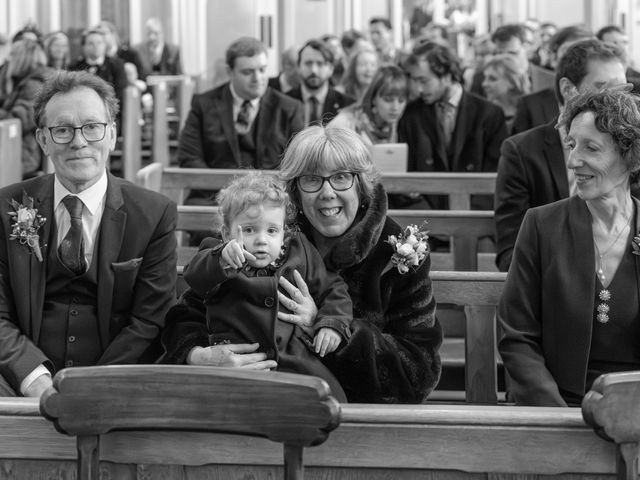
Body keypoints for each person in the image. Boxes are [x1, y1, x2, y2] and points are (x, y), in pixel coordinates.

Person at [163, 126, 443, 403]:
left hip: (353, 415)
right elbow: (187, 314)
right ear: (296, 190)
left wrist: (325, 326)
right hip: (241, 395)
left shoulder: (397, 250)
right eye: (311, 179)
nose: (327, 192)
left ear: (361, 185)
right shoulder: (265, 232)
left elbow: (419, 372)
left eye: (341, 177)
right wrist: (198, 356)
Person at [0, 70, 177, 397]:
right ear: (43, 140)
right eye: (63, 130)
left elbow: (150, 321)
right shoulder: (7, 206)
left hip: (116, 381)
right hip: (20, 382)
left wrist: (95, 387)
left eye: (92, 127)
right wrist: (34, 380)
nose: (79, 141)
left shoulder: (154, 214)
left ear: (111, 134)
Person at [498, 89, 640, 406]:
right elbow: (517, 338)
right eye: (572, 145)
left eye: (591, 148)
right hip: (558, 403)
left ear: (628, 154)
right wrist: (556, 416)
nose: (574, 161)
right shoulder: (541, 225)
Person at [163, 173, 352, 401]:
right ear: (226, 233)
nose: (262, 240)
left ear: (284, 233)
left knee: (331, 399)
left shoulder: (299, 253)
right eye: (249, 230)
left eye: (272, 231)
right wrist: (221, 256)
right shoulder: (219, 256)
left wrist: (332, 323)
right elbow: (195, 276)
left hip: (294, 361)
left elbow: (333, 289)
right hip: (236, 362)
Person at [495, 39, 629, 272]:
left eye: (623, 90)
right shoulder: (522, 151)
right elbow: (511, 252)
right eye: (604, 87)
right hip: (552, 283)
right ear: (568, 89)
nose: (616, 101)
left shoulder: (631, 147)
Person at [177, 36, 304, 205]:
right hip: (214, 196)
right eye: (247, 72)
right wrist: (224, 193)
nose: (257, 78)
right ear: (230, 72)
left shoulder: (289, 108)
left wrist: (266, 194)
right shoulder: (204, 104)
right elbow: (189, 157)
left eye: (262, 70)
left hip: (271, 198)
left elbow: (297, 162)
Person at [399, 40, 507, 209]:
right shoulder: (411, 115)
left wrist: (473, 223)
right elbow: (407, 174)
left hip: (478, 219)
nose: (418, 89)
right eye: (415, 81)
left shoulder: (489, 114)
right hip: (426, 222)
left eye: (423, 81)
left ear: (447, 76)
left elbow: (497, 173)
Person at [511, 25, 593, 135]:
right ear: (553, 57)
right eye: (570, 51)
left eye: (586, 51)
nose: (579, 58)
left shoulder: (605, 101)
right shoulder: (531, 105)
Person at [0, 38, 51, 178]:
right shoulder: (25, 81)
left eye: (12, 54)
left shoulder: (34, 84)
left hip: (26, 153)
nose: (8, 59)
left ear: (21, 58)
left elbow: (21, 118)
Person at [329, 64, 407, 146]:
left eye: (401, 101)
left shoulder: (393, 125)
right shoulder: (345, 122)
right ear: (373, 98)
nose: (395, 107)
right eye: (388, 100)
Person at [286, 39, 354, 126]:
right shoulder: (284, 102)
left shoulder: (347, 105)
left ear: (331, 69)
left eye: (320, 64)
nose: (314, 70)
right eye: (308, 63)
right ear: (299, 67)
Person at [69, 28, 128, 122]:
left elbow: (120, 95)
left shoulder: (117, 65)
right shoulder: (75, 67)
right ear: (83, 46)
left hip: (110, 115)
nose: (95, 46)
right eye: (91, 43)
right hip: (80, 117)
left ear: (105, 45)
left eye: (99, 43)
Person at [481, 53, 531, 132]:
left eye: (492, 79)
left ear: (512, 82)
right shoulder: (484, 113)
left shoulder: (532, 111)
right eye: (485, 78)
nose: (484, 84)